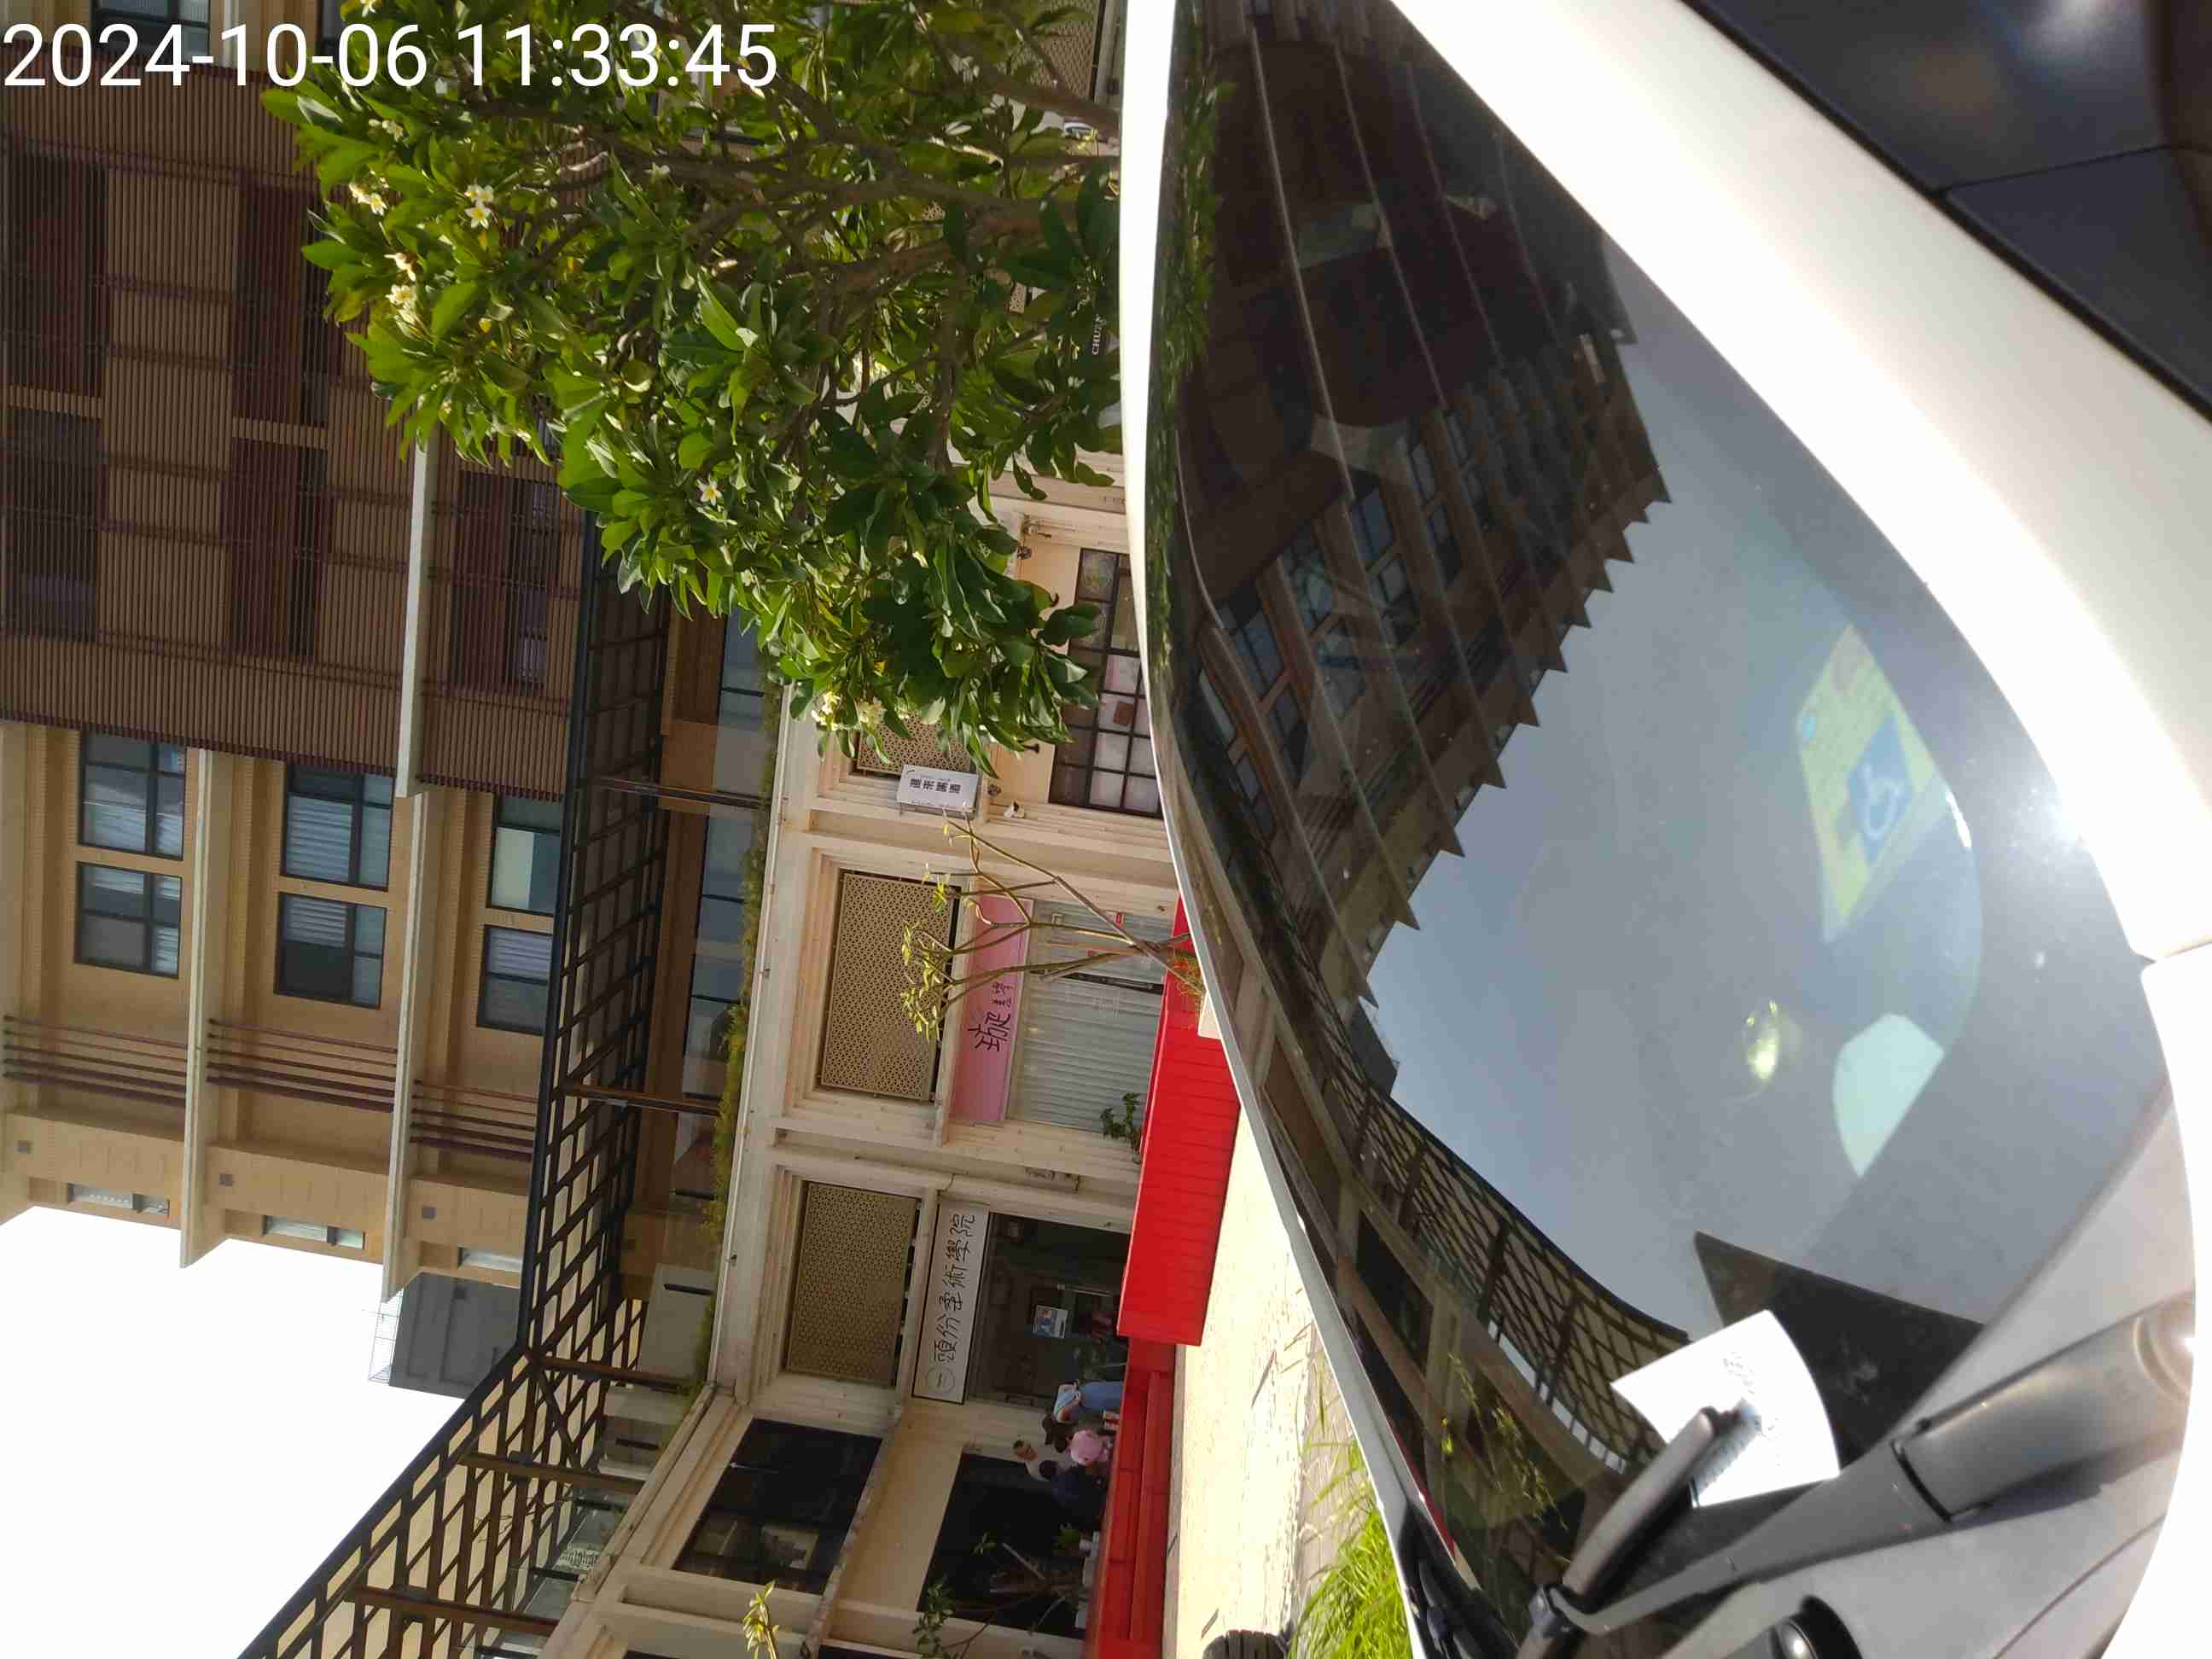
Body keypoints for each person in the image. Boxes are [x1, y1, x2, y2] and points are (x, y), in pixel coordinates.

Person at [1052, 1377, 1123, 1424]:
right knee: (1112, 1388)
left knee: (1115, 1398)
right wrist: (1074, 1389)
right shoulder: (1057, 1404)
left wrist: (1076, 1401)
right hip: (1087, 1389)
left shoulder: (1059, 1418)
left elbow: (1063, 1411)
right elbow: (1062, 1387)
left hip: (1089, 1401)